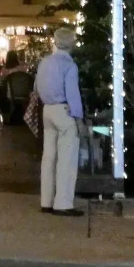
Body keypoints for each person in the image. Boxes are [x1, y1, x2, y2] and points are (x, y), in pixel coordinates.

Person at [35, 27, 86, 217]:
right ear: (72, 43)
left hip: (47, 110)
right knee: (67, 158)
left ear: (55, 42)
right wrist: (79, 119)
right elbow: (73, 94)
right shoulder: (69, 65)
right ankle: (63, 203)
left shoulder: (44, 62)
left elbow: (36, 87)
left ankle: (46, 201)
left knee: (49, 157)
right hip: (64, 111)